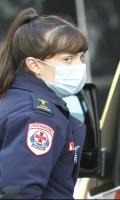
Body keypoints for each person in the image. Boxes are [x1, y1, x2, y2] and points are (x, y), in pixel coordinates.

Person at [0, 8, 87, 198]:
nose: (79, 67)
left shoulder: (13, 97)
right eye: (67, 59)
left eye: (81, 57)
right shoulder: (38, 116)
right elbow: (19, 193)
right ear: (35, 65)